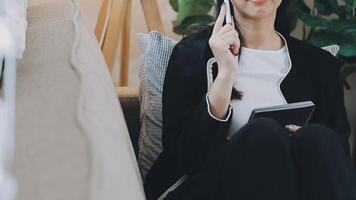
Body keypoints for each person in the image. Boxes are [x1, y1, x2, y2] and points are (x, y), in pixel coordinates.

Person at [144, 0, 356, 199]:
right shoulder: (192, 54)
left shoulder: (319, 64)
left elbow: (336, 158)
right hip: (208, 187)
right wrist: (226, 73)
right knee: (264, 134)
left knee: (319, 137)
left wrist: (298, 144)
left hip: (295, 186)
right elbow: (185, 157)